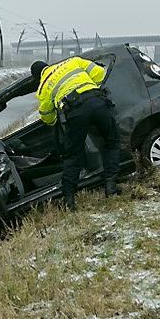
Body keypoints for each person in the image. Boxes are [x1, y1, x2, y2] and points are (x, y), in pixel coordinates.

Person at [32, 57, 120, 211]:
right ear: (48, 65)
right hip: (97, 101)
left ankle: (69, 200)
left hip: (75, 112)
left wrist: (57, 120)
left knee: (73, 155)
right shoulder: (73, 61)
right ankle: (111, 187)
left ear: (37, 76)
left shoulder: (43, 86)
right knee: (111, 142)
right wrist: (91, 89)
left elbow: (47, 117)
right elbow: (99, 73)